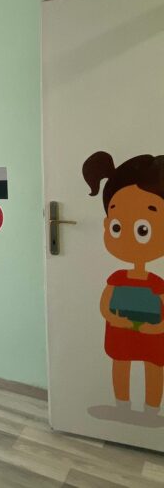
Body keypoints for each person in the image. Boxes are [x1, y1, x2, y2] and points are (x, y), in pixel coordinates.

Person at [83, 152, 164, 415]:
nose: (128, 237)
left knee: (154, 366)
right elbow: (105, 304)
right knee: (121, 362)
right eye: (117, 227)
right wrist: (114, 318)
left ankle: (151, 409)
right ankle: (123, 406)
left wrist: (157, 326)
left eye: (143, 230)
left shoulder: (156, 283)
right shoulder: (117, 279)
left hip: (153, 334)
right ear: (107, 225)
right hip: (121, 331)